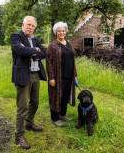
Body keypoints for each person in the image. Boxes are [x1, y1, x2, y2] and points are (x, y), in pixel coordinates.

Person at [11, 16, 47, 149]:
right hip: (23, 75)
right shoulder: (16, 36)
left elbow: (44, 53)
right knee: (22, 106)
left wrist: (32, 52)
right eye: (29, 25)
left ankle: (29, 123)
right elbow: (19, 50)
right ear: (23, 24)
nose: (30, 28)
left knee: (35, 102)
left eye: (33, 26)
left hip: (36, 74)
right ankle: (19, 136)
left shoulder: (35, 39)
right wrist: (34, 50)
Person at [46, 22, 77, 127]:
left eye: (63, 31)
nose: (61, 33)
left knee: (65, 95)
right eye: (59, 31)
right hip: (58, 76)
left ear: (66, 32)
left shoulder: (69, 43)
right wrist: (51, 78)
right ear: (56, 32)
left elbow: (72, 59)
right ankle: (55, 118)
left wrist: (75, 74)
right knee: (56, 96)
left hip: (69, 75)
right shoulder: (52, 46)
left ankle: (63, 114)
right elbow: (48, 63)